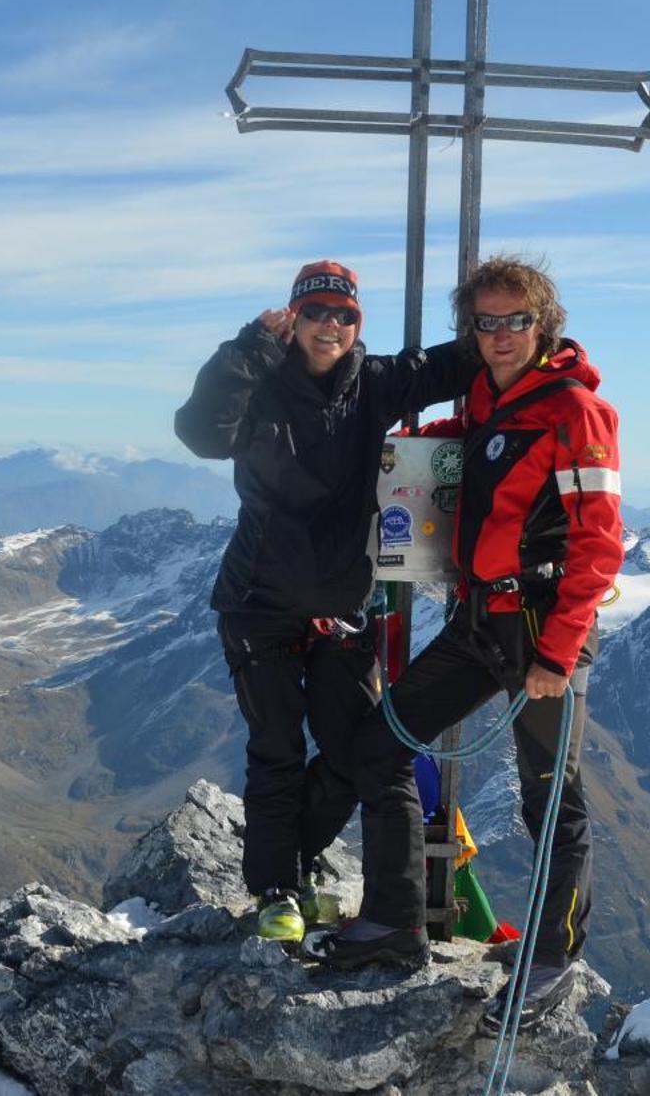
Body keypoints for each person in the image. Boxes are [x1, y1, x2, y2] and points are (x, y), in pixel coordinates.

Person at [310, 253, 623, 1034]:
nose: (501, 333)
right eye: (486, 321)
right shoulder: (487, 396)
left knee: (551, 801)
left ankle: (552, 959)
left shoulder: (577, 413)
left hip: (540, 627)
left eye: (516, 319)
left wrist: (557, 653)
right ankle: (395, 922)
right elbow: (474, 447)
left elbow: (599, 545)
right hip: (481, 621)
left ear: (543, 324)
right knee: (384, 743)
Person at [175, 259, 477, 945]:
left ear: (356, 324)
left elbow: (449, 367)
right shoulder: (258, 381)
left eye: (344, 314)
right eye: (316, 312)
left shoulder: (373, 384)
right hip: (260, 608)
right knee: (277, 749)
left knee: (354, 752)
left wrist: (517, 326)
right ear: (294, 319)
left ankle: (296, 862)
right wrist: (248, 348)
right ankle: (278, 890)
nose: (330, 325)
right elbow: (199, 431)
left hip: (343, 611)